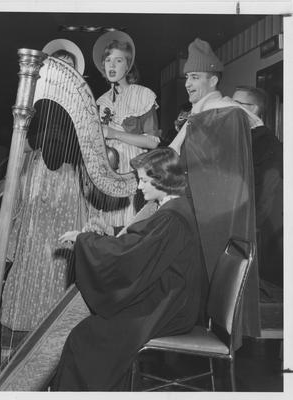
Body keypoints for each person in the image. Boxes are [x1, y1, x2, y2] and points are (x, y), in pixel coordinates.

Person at [51, 147, 208, 390]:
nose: (139, 187)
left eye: (144, 180)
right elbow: (142, 243)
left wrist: (84, 241)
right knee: (89, 332)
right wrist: (108, 233)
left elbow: (133, 254)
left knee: (87, 337)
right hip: (168, 295)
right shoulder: (173, 207)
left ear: (163, 179)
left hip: (170, 305)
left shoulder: (172, 216)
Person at [169, 38, 263, 339]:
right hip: (198, 212)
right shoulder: (202, 112)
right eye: (187, 77)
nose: (188, 83)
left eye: (195, 77)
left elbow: (210, 171)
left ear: (213, 79)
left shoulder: (226, 113)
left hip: (213, 220)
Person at [0, 39, 88, 357]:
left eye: (67, 67)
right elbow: (30, 141)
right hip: (38, 175)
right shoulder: (33, 98)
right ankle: (20, 351)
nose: (60, 72)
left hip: (66, 183)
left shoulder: (82, 108)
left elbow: (70, 149)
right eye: (55, 66)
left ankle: (54, 346)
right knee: (32, 253)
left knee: (58, 259)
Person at [91, 30, 161, 225]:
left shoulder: (143, 95)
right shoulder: (100, 101)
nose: (111, 65)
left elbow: (152, 143)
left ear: (128, 65)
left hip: (133, 168)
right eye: (108, 60)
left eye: (118, 60)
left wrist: (114, 133)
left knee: (129, 223)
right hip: (107, 168)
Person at [232, 86, 283, 288]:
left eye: (235, 105)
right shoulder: (243, 136)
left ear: (252, 109)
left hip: (253, 230)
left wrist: (251, 227)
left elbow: (267, 192)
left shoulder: (266, 143)